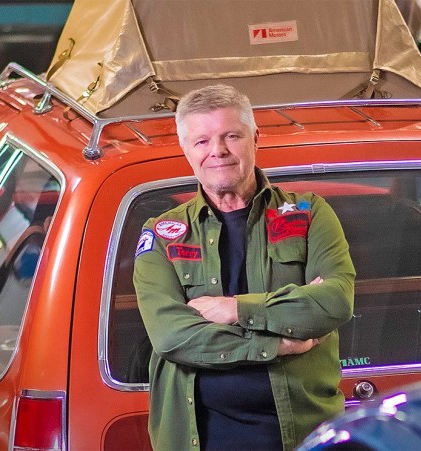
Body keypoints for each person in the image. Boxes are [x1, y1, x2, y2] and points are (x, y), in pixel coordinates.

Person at [133, 84, 355, 451]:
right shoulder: (162, 235)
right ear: (185, 149)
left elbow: (334, 303)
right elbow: (171, 335)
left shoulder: (310, 213)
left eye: (230, 136)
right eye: (201, 141)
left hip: (302, 436)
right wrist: (276, 345)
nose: (217, 151)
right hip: (202, 440)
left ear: (255, 138)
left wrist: (235, 309)